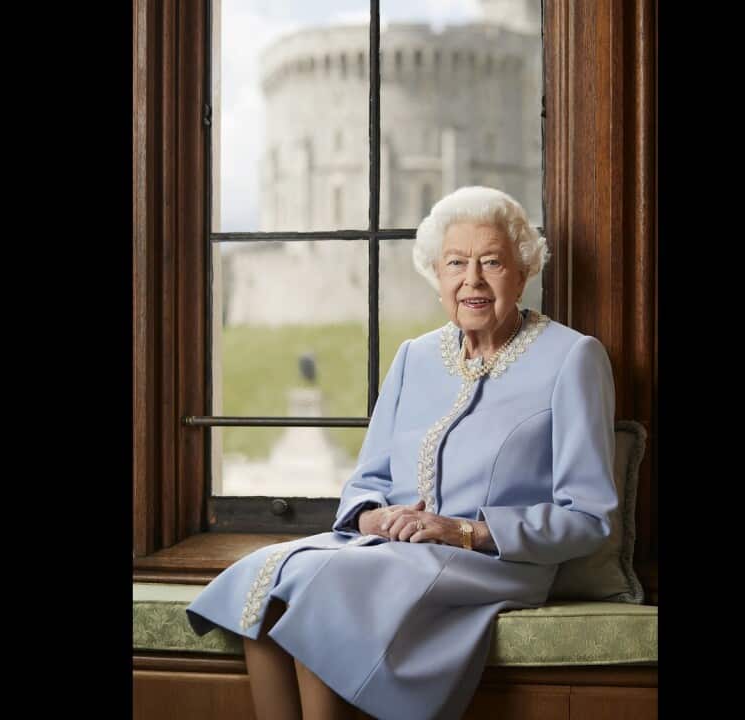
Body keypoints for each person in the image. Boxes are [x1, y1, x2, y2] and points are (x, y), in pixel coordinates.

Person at [186, 186, 618, 720]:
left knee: (326, 590)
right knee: (268, 576)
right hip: (391, 554)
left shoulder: (573, 357)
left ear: (523, 269)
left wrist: (464, 531)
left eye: (491, 262)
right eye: (455, 263)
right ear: (437, 276)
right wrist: (373, 516)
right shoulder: (415, 357)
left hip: (490, 563)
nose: (472, 280)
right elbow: (366, 481)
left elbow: (590, 517)